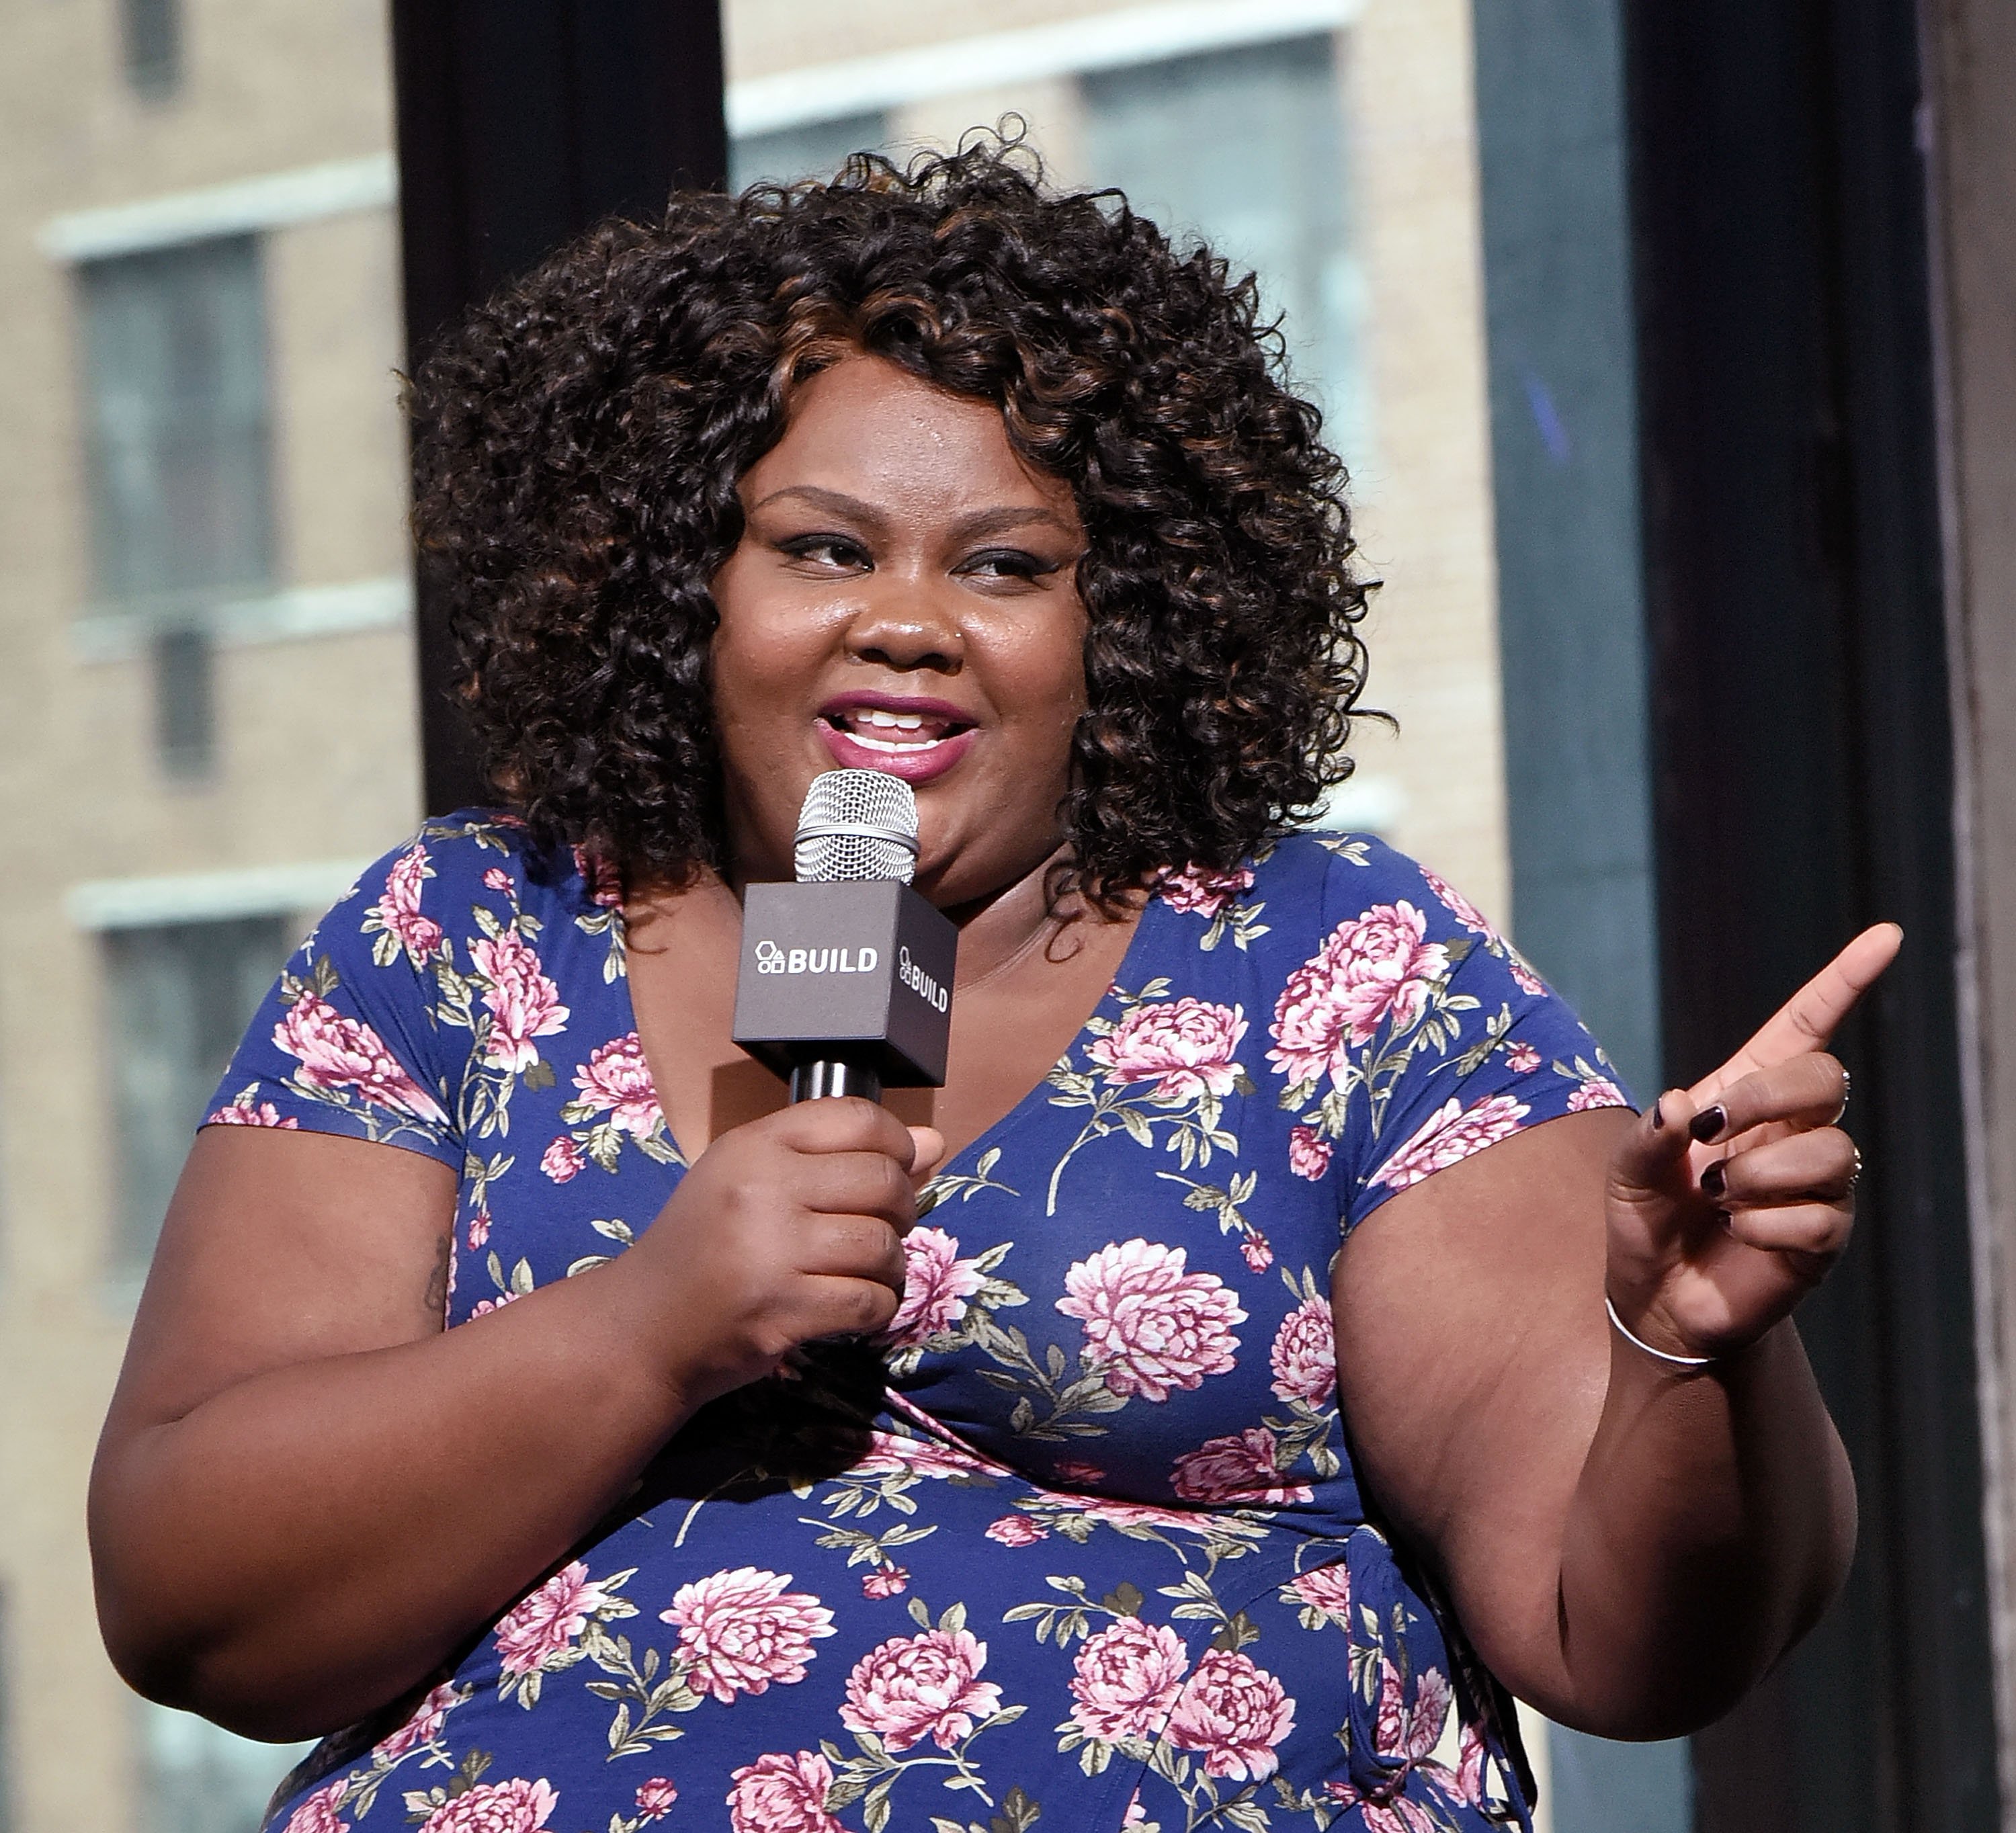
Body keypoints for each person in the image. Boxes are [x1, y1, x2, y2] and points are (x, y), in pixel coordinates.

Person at [89, 140, 1887, 1833]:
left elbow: (1624, 1645)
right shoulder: (470, 931)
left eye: (1008, 565)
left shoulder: (1339, 963)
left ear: (1124, 629)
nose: (909, 619)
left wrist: (1687, 1350)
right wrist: (646, 1325)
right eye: (824, 546)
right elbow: (193, 1602)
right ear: (677, 586)